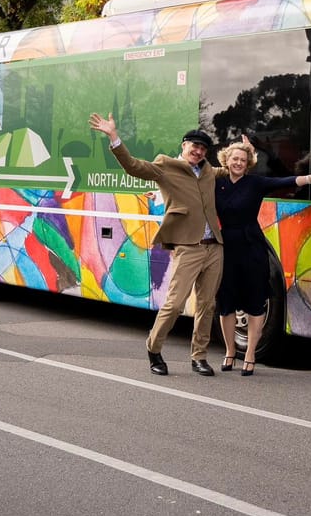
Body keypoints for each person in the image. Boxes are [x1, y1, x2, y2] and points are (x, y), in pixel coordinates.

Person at [88, 112, 224, 377]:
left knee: (207, 305)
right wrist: (114, 137)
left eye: (203, 148)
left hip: (214, 246)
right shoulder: (166, 166)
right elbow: (134, 166)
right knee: (175, 304)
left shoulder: (209, 172)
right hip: (189, 245)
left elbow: (234, 170)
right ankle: (154, 347)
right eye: (194, 146)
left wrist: (248, 153)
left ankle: (199, 356)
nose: (198, 151)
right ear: (184, 146)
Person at [216, 141, 311, 376]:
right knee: (226, 303)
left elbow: (287, 181)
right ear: (226, 161)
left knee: (254, 302)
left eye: (242, 159)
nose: (238, 163)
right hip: (226, 247)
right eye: (234, 159)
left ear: (248, 163)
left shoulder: (256, 183)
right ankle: (230, 352)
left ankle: (250, 354)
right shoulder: (216, 183)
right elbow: (189, 189)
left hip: (252, 247)